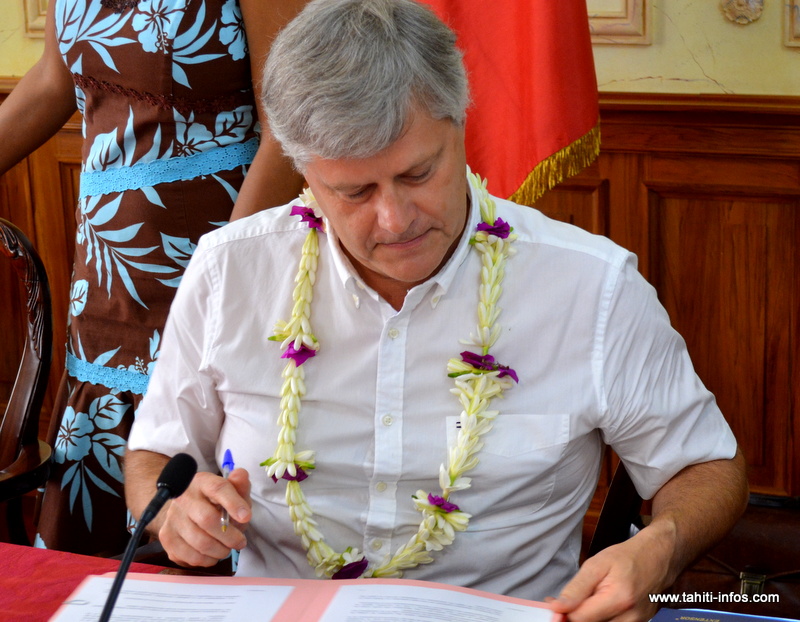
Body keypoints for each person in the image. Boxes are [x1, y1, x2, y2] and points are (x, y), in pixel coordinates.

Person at [125, 0, 748, 619]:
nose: (395, 219)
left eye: (418, 173)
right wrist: (177, 513)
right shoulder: (231, 270)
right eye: (355, 192)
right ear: (305, 175)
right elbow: (155, 455)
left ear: (461, 123)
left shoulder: (592, 286)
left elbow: (706, 467)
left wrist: (659, 549)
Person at [0, 0, 306, 556]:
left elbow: (288, 132)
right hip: (105, 273)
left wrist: (220, 276)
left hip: (219, 260)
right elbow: (52, 78)